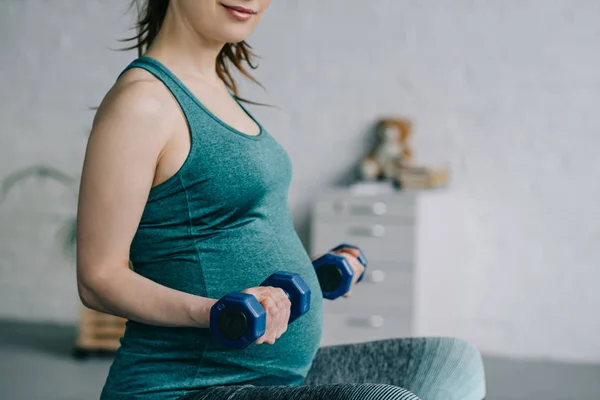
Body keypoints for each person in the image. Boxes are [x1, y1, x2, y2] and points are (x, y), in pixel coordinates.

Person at [76, 1, 487, 399]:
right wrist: (215, 311)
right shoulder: (143, 103)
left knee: (451, 362)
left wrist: (308, 276)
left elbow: (219, 234)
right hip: (186, 388)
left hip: (272, 376)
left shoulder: (216, 89)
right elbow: (98, 278)